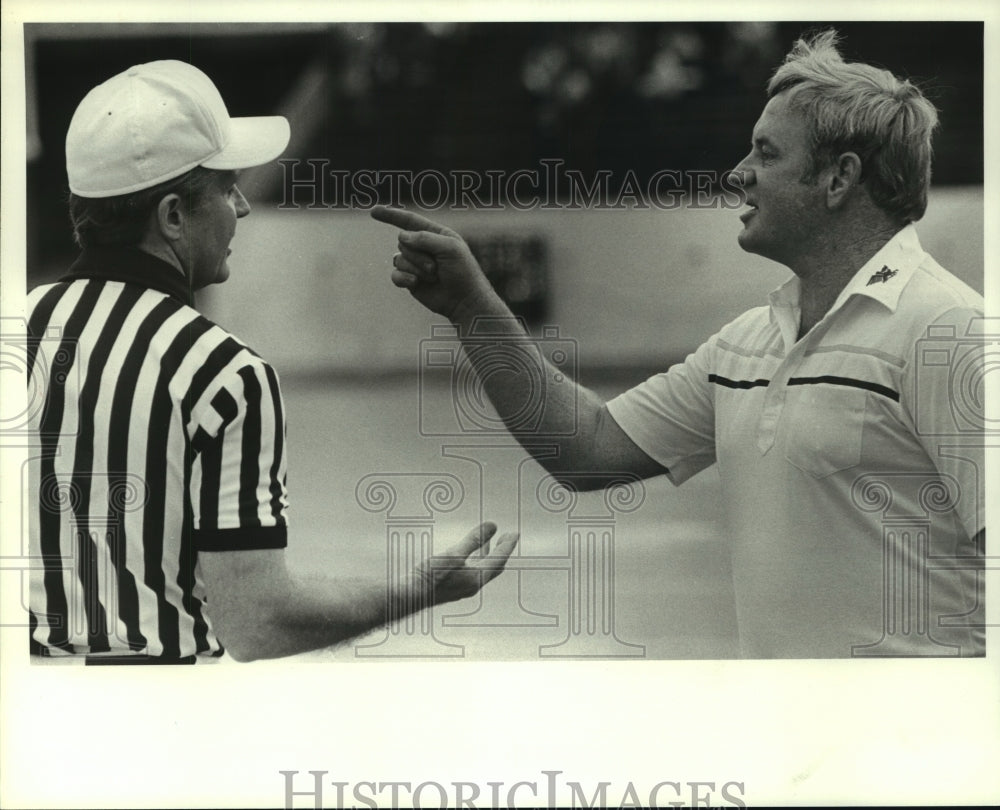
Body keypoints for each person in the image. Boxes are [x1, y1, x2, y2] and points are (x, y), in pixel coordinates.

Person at [373, 30, 986, 658]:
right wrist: (475, 311)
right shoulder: (746, 346)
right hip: (792, 743)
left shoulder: (951, 330)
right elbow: (584, 448)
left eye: (766, 154)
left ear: (838, 178)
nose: (738, 173)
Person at [26, 59, 518, 664]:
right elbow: (259, 624)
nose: (243, 206)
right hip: (158, 716)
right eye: (228, 188)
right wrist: (418, 588)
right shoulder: (224, 374)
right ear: (174, 217)